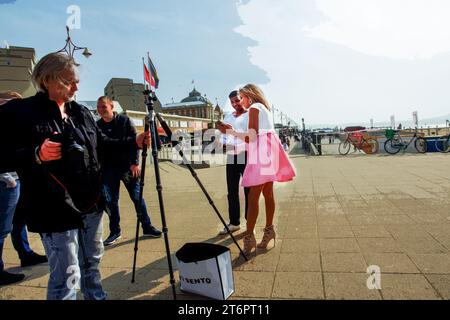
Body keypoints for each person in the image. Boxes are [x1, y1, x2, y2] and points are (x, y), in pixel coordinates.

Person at [0, 53, 150, 299]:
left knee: (92, 261)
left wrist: (133, 141)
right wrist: (36, 154)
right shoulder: (22, 112)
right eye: (70, 81)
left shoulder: (80, 112)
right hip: (55, 208)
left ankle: (96, 297)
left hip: (91, 203)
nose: (77, 86)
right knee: (67, 276)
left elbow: (101, 144)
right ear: (48, 79)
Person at [218, 84, 296, 256]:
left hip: (262, 151)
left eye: (242, 97)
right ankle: (269, 231)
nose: (242, 102)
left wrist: (229, 131)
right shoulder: (263, 108)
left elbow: (251, 137)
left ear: (249, 96)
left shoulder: (253, 108)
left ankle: (249, 237)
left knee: (253, 197)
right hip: (269, 148)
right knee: (268, 193)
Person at [96, 96, 161, 246]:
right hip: (108, 169)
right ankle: (115, 232)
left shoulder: (124, 121)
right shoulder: (97, 125)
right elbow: (102, 146)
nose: (100, 109)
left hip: (127, 167)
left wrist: (135, 163)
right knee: (111, 201)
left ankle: (147, 227)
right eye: (99, 107)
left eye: (103, 106)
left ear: (112, 106)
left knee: (137, 198)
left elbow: (136, 143)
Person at [0, 92, 47, 287]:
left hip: (17, 179)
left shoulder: (14, 125)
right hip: (5, 181)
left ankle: (26, 254)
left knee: (18, 220)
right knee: (2, 227)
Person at [217, 91, 250, 235]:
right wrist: (222, 136)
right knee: (232, 191)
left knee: (249, 191)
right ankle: (234, 223)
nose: (235, 104)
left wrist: (232, 131)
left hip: (246, 154)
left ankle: (250, 222)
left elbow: (251, 137)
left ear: (243, 99)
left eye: (237, 101)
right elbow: (224, 137)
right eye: (232, 102)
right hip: (232, 156)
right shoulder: (228, 116)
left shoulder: (250, 115)